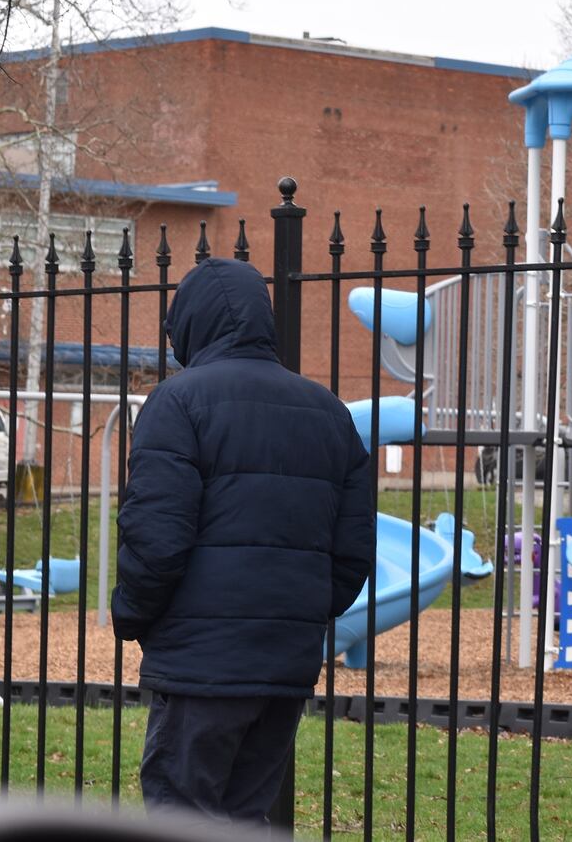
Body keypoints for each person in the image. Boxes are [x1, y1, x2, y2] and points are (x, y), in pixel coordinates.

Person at [112, 257, 374, 825]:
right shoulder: (330, 412)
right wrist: (298, 614)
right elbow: (352, 552)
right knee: (246, 819)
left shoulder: (178, 401)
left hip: (199, 662)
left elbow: (156, 535)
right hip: (284, 664)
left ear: (190, 324)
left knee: (180, 818)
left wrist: (133, 614)